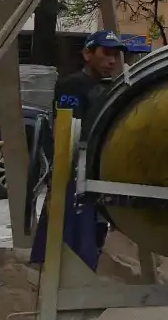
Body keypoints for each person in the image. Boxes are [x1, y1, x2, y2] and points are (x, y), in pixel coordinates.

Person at [31, 30, 129, 273]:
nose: (112, 60)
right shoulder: (72, 86)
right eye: (106, 53)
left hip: (101, 168)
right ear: (87, 53)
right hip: (75, 168)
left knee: (96, 228)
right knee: (72, 229)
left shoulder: (111, 87)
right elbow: (66, 131)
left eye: (116, 55)